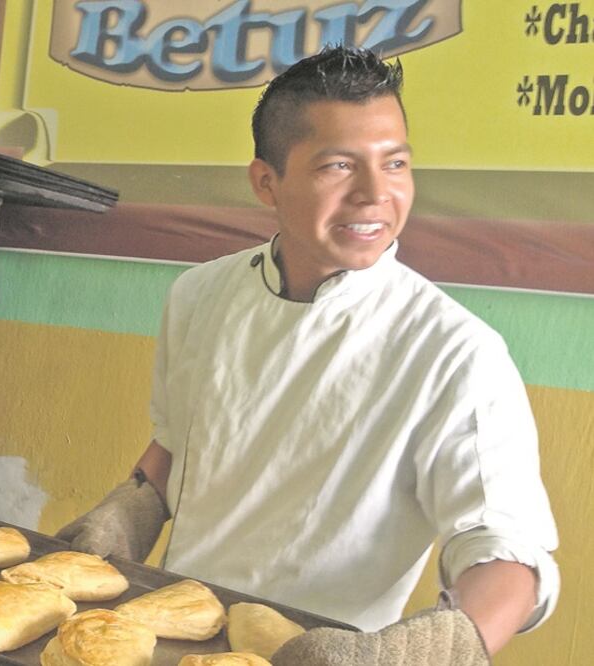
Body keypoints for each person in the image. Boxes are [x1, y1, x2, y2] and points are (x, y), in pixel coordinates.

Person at [56, 46, 559, 663]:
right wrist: (130, 509)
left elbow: (510, 556)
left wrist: (428, 648)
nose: (376, 194)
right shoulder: (199, 296)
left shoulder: (454, 351)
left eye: (395, 163)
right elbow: (180, 440)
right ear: (267, 181)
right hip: (176, 637)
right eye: (339, 166)